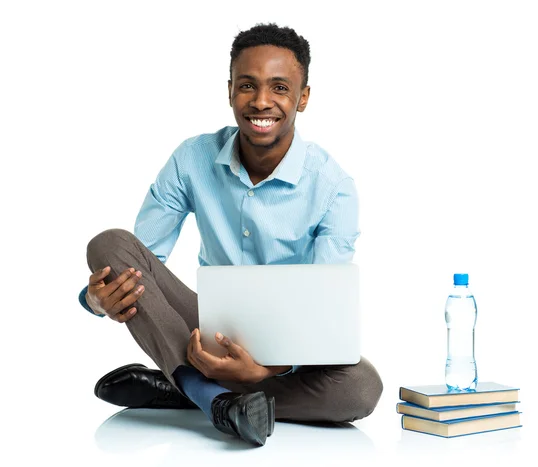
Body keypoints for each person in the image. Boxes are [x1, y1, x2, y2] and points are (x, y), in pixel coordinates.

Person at [79, 23, 383, 447]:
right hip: (205, 329)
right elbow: (141, 261)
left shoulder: (333, 186)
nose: (261, 102)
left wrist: (268, 371)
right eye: (247, 86)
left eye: (279, 87)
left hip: (291, 351)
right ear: (229, 91)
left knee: (362, 387)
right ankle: (217, 399)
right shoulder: (192, 158)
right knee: (109, 245)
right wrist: (96, 299)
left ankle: (190, 389)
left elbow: (323, 312)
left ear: (304, 97)